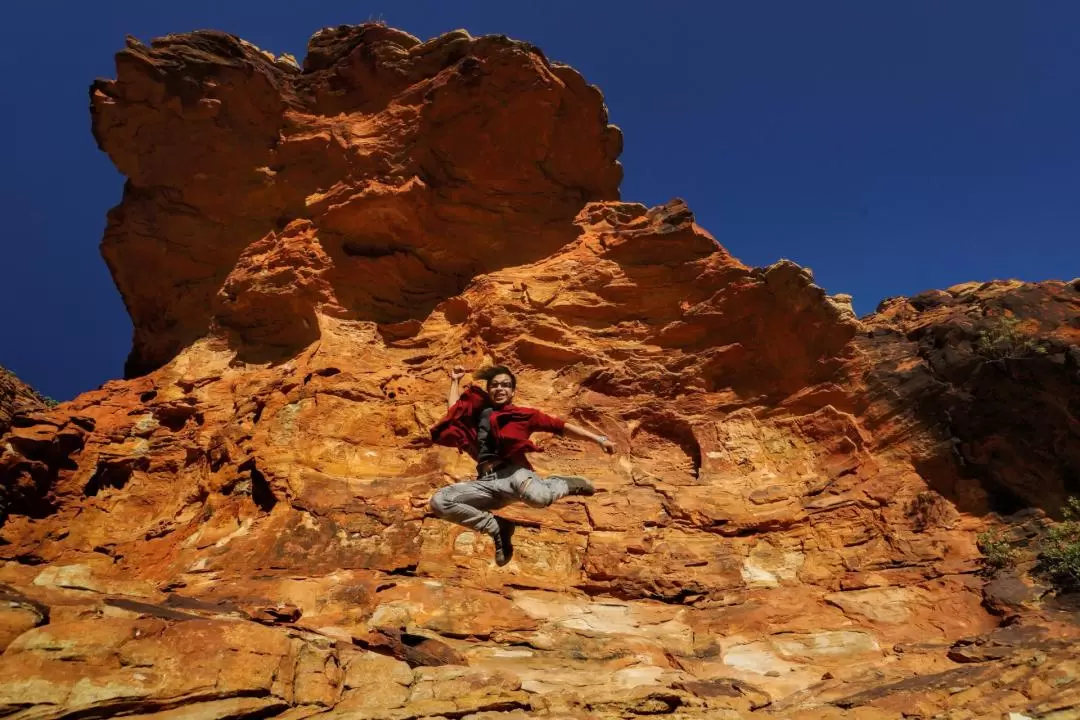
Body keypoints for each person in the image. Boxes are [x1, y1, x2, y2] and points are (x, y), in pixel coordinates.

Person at [428, 364, 615, 565]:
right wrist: (455, 381)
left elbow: (561, 427)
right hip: (487, 483)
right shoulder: (477, 414)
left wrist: (599, 439)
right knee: (440, 502)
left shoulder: (525, 416)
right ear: (489, 390)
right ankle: (498, 528)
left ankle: (562, 483)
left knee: (539, 497)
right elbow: (454, 413)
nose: (500, 389)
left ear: (513, 391)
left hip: (515, 475)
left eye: (506, 385)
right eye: (495, 385)